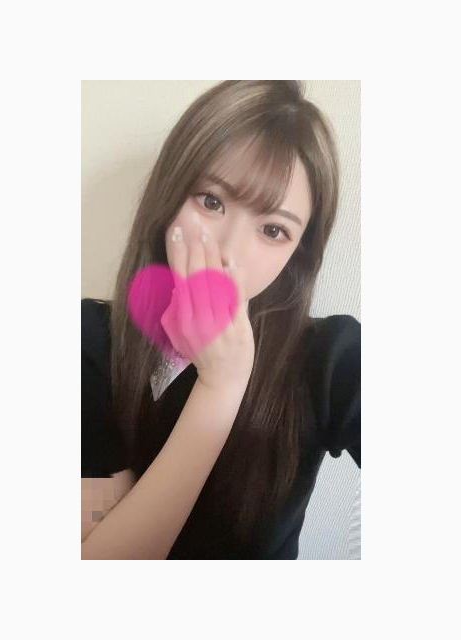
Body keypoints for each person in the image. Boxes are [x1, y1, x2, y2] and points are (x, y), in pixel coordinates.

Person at [81, 80, 361, 559]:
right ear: (169, 196)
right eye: (211, 201)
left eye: (273, 230)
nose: (229, 252)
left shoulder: (331, 359)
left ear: (297, 254)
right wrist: (219, 387)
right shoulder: (90, 340)